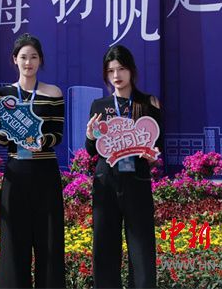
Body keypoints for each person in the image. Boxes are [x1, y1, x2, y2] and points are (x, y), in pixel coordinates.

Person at [0, 33, 65, 288]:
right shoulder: (3, 95)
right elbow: (2, 140)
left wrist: (41, 142)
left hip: (45, 172)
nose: (28, 62)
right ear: (14, 60)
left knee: (49, 241)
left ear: (40, 60)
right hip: (16, 172)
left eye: (33, 57)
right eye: (23, 57)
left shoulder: (53, 93)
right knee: (13, 242)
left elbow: (58, 134)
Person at [84, 44, 162, 289]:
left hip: (137, 181)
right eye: (110, 71)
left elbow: (158, 143)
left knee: (142, 247)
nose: (116, 75)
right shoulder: (99, 105)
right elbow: (91, 150)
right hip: (106, 181)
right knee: (105, 246)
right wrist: (90, 136)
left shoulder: (148, 103)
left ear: (132, 70)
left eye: (121, 69)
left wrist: (152, 155)